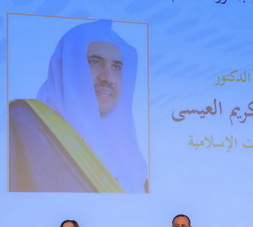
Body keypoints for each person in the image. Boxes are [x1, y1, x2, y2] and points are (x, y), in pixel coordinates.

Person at [8, 19, 148, 193]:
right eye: (94, 62)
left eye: (117, 67)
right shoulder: (23, 121)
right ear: (68, 67)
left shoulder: (133, 163)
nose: (108, 77)